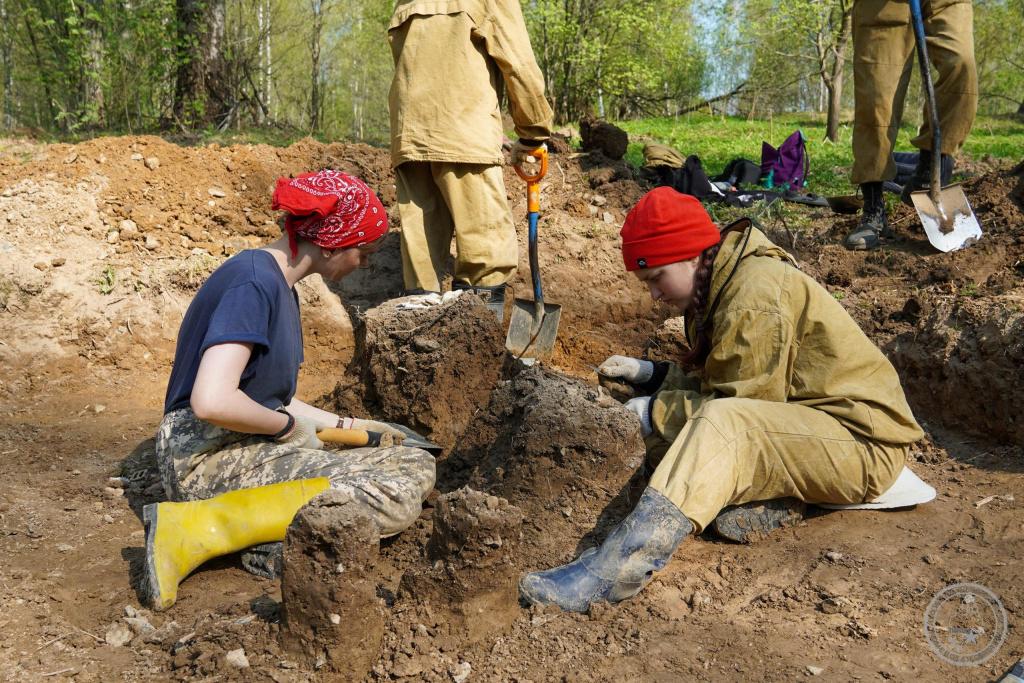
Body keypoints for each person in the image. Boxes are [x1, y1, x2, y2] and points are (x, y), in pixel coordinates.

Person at [520, 187, 926, 613]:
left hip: (861, 445)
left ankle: (613, 571)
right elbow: (725, 372)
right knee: (669, 439)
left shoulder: (755, 294)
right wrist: (655, 375)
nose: (654, 295)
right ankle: (772, 501)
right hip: (809, 426)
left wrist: (652, 411)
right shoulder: (720, 280)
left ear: (693, 255)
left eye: (656, 277)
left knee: (713, 428)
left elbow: (737, 409)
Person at [142, 170, 436, 611]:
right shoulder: (253, 284)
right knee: (391, 494)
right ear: (335, 241)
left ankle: (260, 539)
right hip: (203, 459)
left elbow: (266, 398)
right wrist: (284, 429)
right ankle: (199, 527)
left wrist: (353, 426)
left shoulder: (276, 283)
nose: (364, 264)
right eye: (364, 251)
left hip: (238, 443)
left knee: (411, 461)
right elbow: (211, 400)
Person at [387, 0, 554, 315]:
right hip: (464, 133)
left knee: (421, 260)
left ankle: (415, 346)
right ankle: (476, 349)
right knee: (486, 255)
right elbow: (518, 63)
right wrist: (533, 131)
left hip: (409, 137)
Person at [844, 0, 977, 250]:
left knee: (961, 65)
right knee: (876, 99)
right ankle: (874, 210)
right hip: (882, 6)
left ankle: (929, 173)